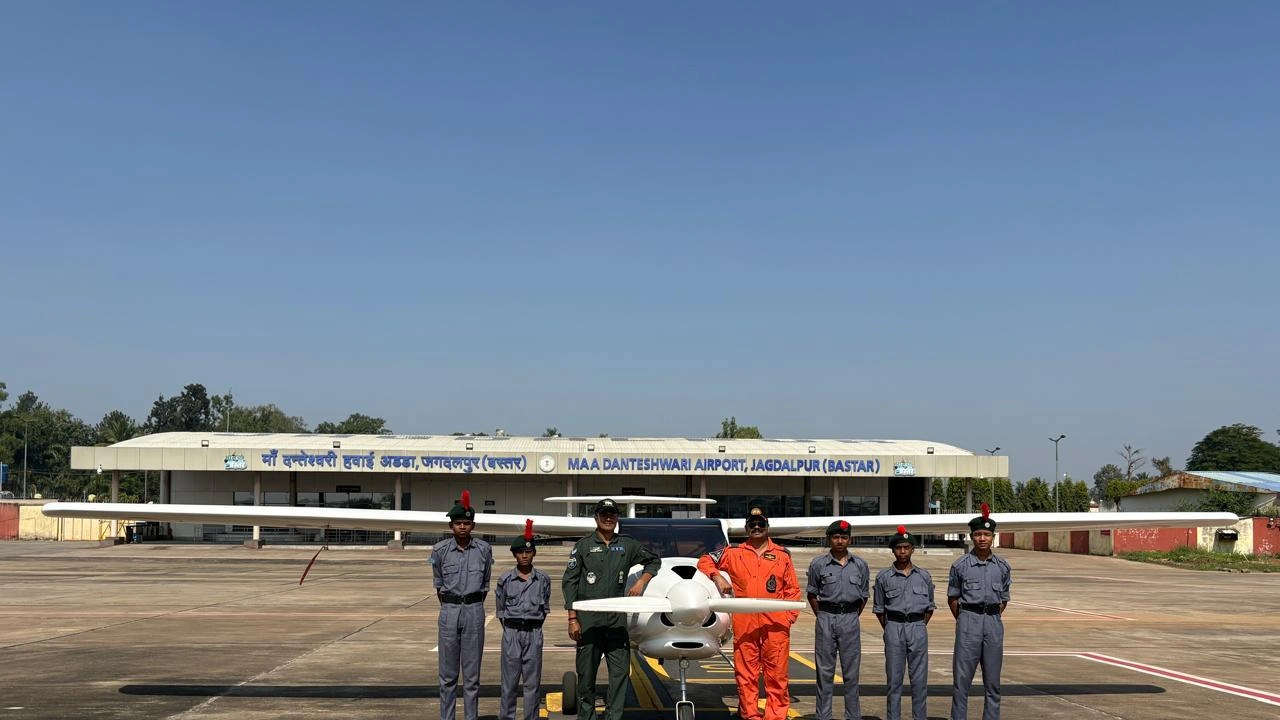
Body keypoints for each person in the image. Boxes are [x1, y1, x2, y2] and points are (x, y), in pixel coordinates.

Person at [698, 506, 801, 720]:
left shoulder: (782, 555)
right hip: (745, 623)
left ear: (767, 527)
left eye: (760, 524)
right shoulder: (733, 553)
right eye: (752, 525)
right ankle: (749, 714)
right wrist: (717, 576)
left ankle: (776, 716)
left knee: (777, 675)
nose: (756, 527)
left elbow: (792, 590)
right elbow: (704, 560)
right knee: (746, 674)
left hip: (775, 625)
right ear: (746, 529)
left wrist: (788, 618)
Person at [563, 498, 661, 720]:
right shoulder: (583, 546)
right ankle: (586, 717)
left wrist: (641, 581)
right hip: (589, 621)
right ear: (596, 517)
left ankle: (613, 717)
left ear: (617, 518)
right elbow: (570, 582)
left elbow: (654, 561)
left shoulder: (627, 545)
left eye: (612, 514)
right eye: (604, 514)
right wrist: (572, 618)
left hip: (616, 621)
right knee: (586, 676)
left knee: (619, 675)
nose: (608, 518)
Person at [430, 490, 493, 720]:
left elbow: (485, 584)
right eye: (458, 523)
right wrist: (453, 604)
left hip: (474, 611)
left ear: (473, 525)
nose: (462, 527)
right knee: (447, 676)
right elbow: (438, 584)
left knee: (472, 676)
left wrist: (470, 603)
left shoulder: (484, 550)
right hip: (449, 611)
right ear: (451, 526)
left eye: (466, 523)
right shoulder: (440, 551)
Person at [948, 503, 1012, 720]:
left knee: (993, 683)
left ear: (993, 537)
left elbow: (1004, 599)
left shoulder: (1002, 567)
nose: (982, 538)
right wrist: (967, 617)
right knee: (962, 681)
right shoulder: (960, 566)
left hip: (993, 623)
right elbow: (953, 598)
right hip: (968, 621)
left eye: (986, 534)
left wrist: (990, 615)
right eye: (978, 535)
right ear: (971, 537)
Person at [806, 519, 869, 720]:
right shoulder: (818, 564)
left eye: (843, 537)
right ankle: (823, 716)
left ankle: (853, 716)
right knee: (824, 672)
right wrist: (823, 615)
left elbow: (864, 595)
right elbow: (812, 594)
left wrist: (850, 614)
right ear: (829, 539)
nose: (839, 541)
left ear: (850, 539)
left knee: (851, 673)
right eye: (835, 537)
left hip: (850, 618)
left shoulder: (860, 565)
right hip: (826, 617)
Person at [873, 525, 935, 720]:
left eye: (906, 547)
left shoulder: (924, 576)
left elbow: (929, 607)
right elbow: (879, 609)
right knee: (894, 681)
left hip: (917, 626)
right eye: (898, 548)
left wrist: (916, 624)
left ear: (912, 550)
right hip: (894, 627)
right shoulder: (883, 577)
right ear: (893, 550)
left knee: (919, 681)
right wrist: (892, 626)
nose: (902, 551)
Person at [496, 519, 551, 720]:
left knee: (532, 684)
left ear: (534, 553)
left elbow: (544, 609)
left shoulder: (543, 580)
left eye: (528, 552)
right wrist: (513, 628)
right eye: (520, 552)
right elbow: (501, 611)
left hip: (534, 633)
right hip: (511, 633)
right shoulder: (505, 580)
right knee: (509, 684)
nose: (524, 555)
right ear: (515, 555)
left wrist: (532, 625)